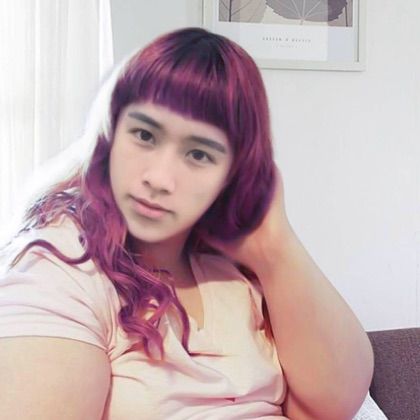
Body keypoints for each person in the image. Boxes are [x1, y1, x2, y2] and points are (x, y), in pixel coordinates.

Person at [0, 27, 379, 419]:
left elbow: (332, 404)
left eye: (199, 155)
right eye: (144, 135)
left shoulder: (234, 268)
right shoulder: (60, 267)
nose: (159, 179)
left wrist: (276, 245)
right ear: (109, 135)